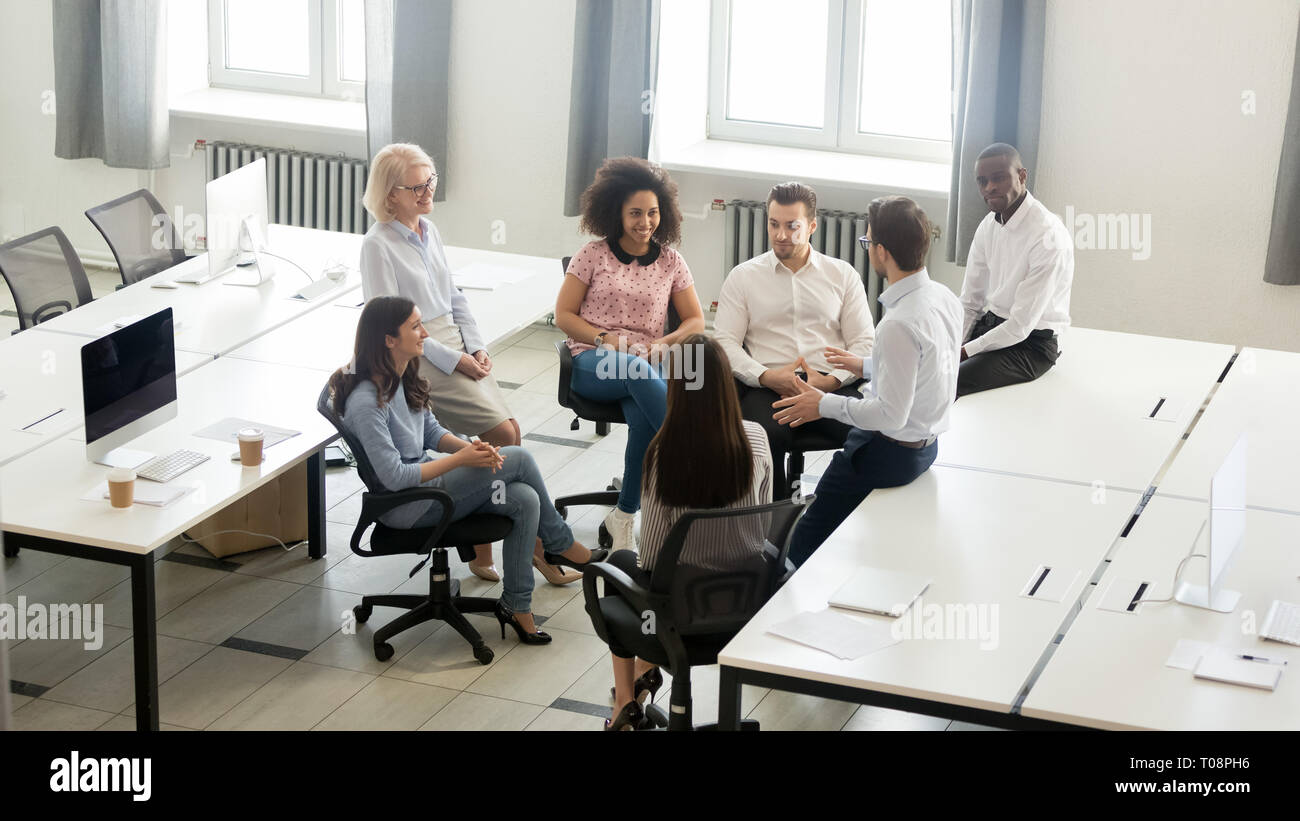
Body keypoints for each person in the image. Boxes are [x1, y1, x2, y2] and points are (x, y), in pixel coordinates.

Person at [328, 296, 606, 643]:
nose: (425, 332)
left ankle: (517, 606)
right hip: (407, 505)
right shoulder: (367, 401)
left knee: (523, 498)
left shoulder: (401, 375)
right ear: (388, 340)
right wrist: (463, 460)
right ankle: (562, 544)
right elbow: (394, 477)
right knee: (518, 458)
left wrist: (474, 450)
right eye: (415, 326)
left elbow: (431, 431)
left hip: (429, 482)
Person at [359, 144, 570, 583]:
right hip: (419, 351)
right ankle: (534, 548)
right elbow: (392, 323)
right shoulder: (377, 246)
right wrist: (454, 360)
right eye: (415, 186)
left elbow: (454, 297)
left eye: (430, 182)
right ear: (390, 193)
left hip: (452, 341)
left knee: (509, 432)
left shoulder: (428, 230)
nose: (426, 191)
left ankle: (489, 549)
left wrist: (476, 346)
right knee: (502, 435)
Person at [775, 197, 962, 567]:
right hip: (927, 448)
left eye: (868, 242)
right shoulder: (943, 298)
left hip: (887, 453)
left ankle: (779, 588)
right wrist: (866, 366)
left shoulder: (897, 323)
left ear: (881, 252)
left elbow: (890, 415)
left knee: (809, 531)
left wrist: (821, 404)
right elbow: (927, 369)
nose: (868, 249)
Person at [599, 335, 773, 730]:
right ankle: (644, 673)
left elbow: (655, 557)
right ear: (727, 384)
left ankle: (625, 703)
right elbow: (762, 530)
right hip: (744, 604)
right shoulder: (758, 439)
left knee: (620, 565)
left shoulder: (662, 453)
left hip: (679, 613)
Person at [555, 157, 706, 551]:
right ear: (616, 213)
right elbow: (563, 316)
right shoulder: (593, 255)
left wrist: (665, 343)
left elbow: (695, 321)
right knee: (639, 372)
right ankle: (694, 461)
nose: (645, 222)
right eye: (635, 213)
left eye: (653, 213)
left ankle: (623, 517)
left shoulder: (672, 260)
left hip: (644, 365)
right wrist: (606, 339)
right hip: (593, 360)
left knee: (643, 418)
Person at [714, 181, 875, 499]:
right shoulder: (744, 276)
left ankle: (836, 514)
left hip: (831, 386)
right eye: (774, 224)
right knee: (759, 438)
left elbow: (864, 342)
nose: (781, 235)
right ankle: (770, 529)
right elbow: (725, 343)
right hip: (769, 386)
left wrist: (830, 382)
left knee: (871, 433)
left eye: (792, 226)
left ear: (812, 226)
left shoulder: (842, 275)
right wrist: (765, 375)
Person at [956, 142, 1074, 398]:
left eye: (998, 178)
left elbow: (1020, 325)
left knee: (946, 381)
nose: (989, 188)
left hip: (1031, 346)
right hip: (991, 327)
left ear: (1022, 176)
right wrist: (954, 345)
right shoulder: (988, 225)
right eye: (982, 181)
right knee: (925, 365)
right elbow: (969, 302)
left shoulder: (1047, 235)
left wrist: (962, 353)